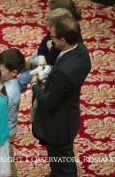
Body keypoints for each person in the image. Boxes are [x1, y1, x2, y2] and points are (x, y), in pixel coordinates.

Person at [29, 15, 91, 177]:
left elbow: (49, 102)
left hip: (59, 127)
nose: (51, 39)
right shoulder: (81, 49)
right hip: (69, 114)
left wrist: (34, 84)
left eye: (53, 36)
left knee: (63, 166)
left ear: (62, 40)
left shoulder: (64, 72)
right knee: (63, 162)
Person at [18, 0, 82, 93]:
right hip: (41, 66)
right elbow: (43, 47)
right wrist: (34, 60)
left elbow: (56, 63)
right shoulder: (58, 32)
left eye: (49, 13)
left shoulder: (69, 43)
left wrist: (32, 63)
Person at [0, 48, 25, 177]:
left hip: (5, 133)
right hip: (3, 129)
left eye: (2, 70)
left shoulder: (9, 92)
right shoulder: (6, 81)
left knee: (7, 163)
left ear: (14, 72)